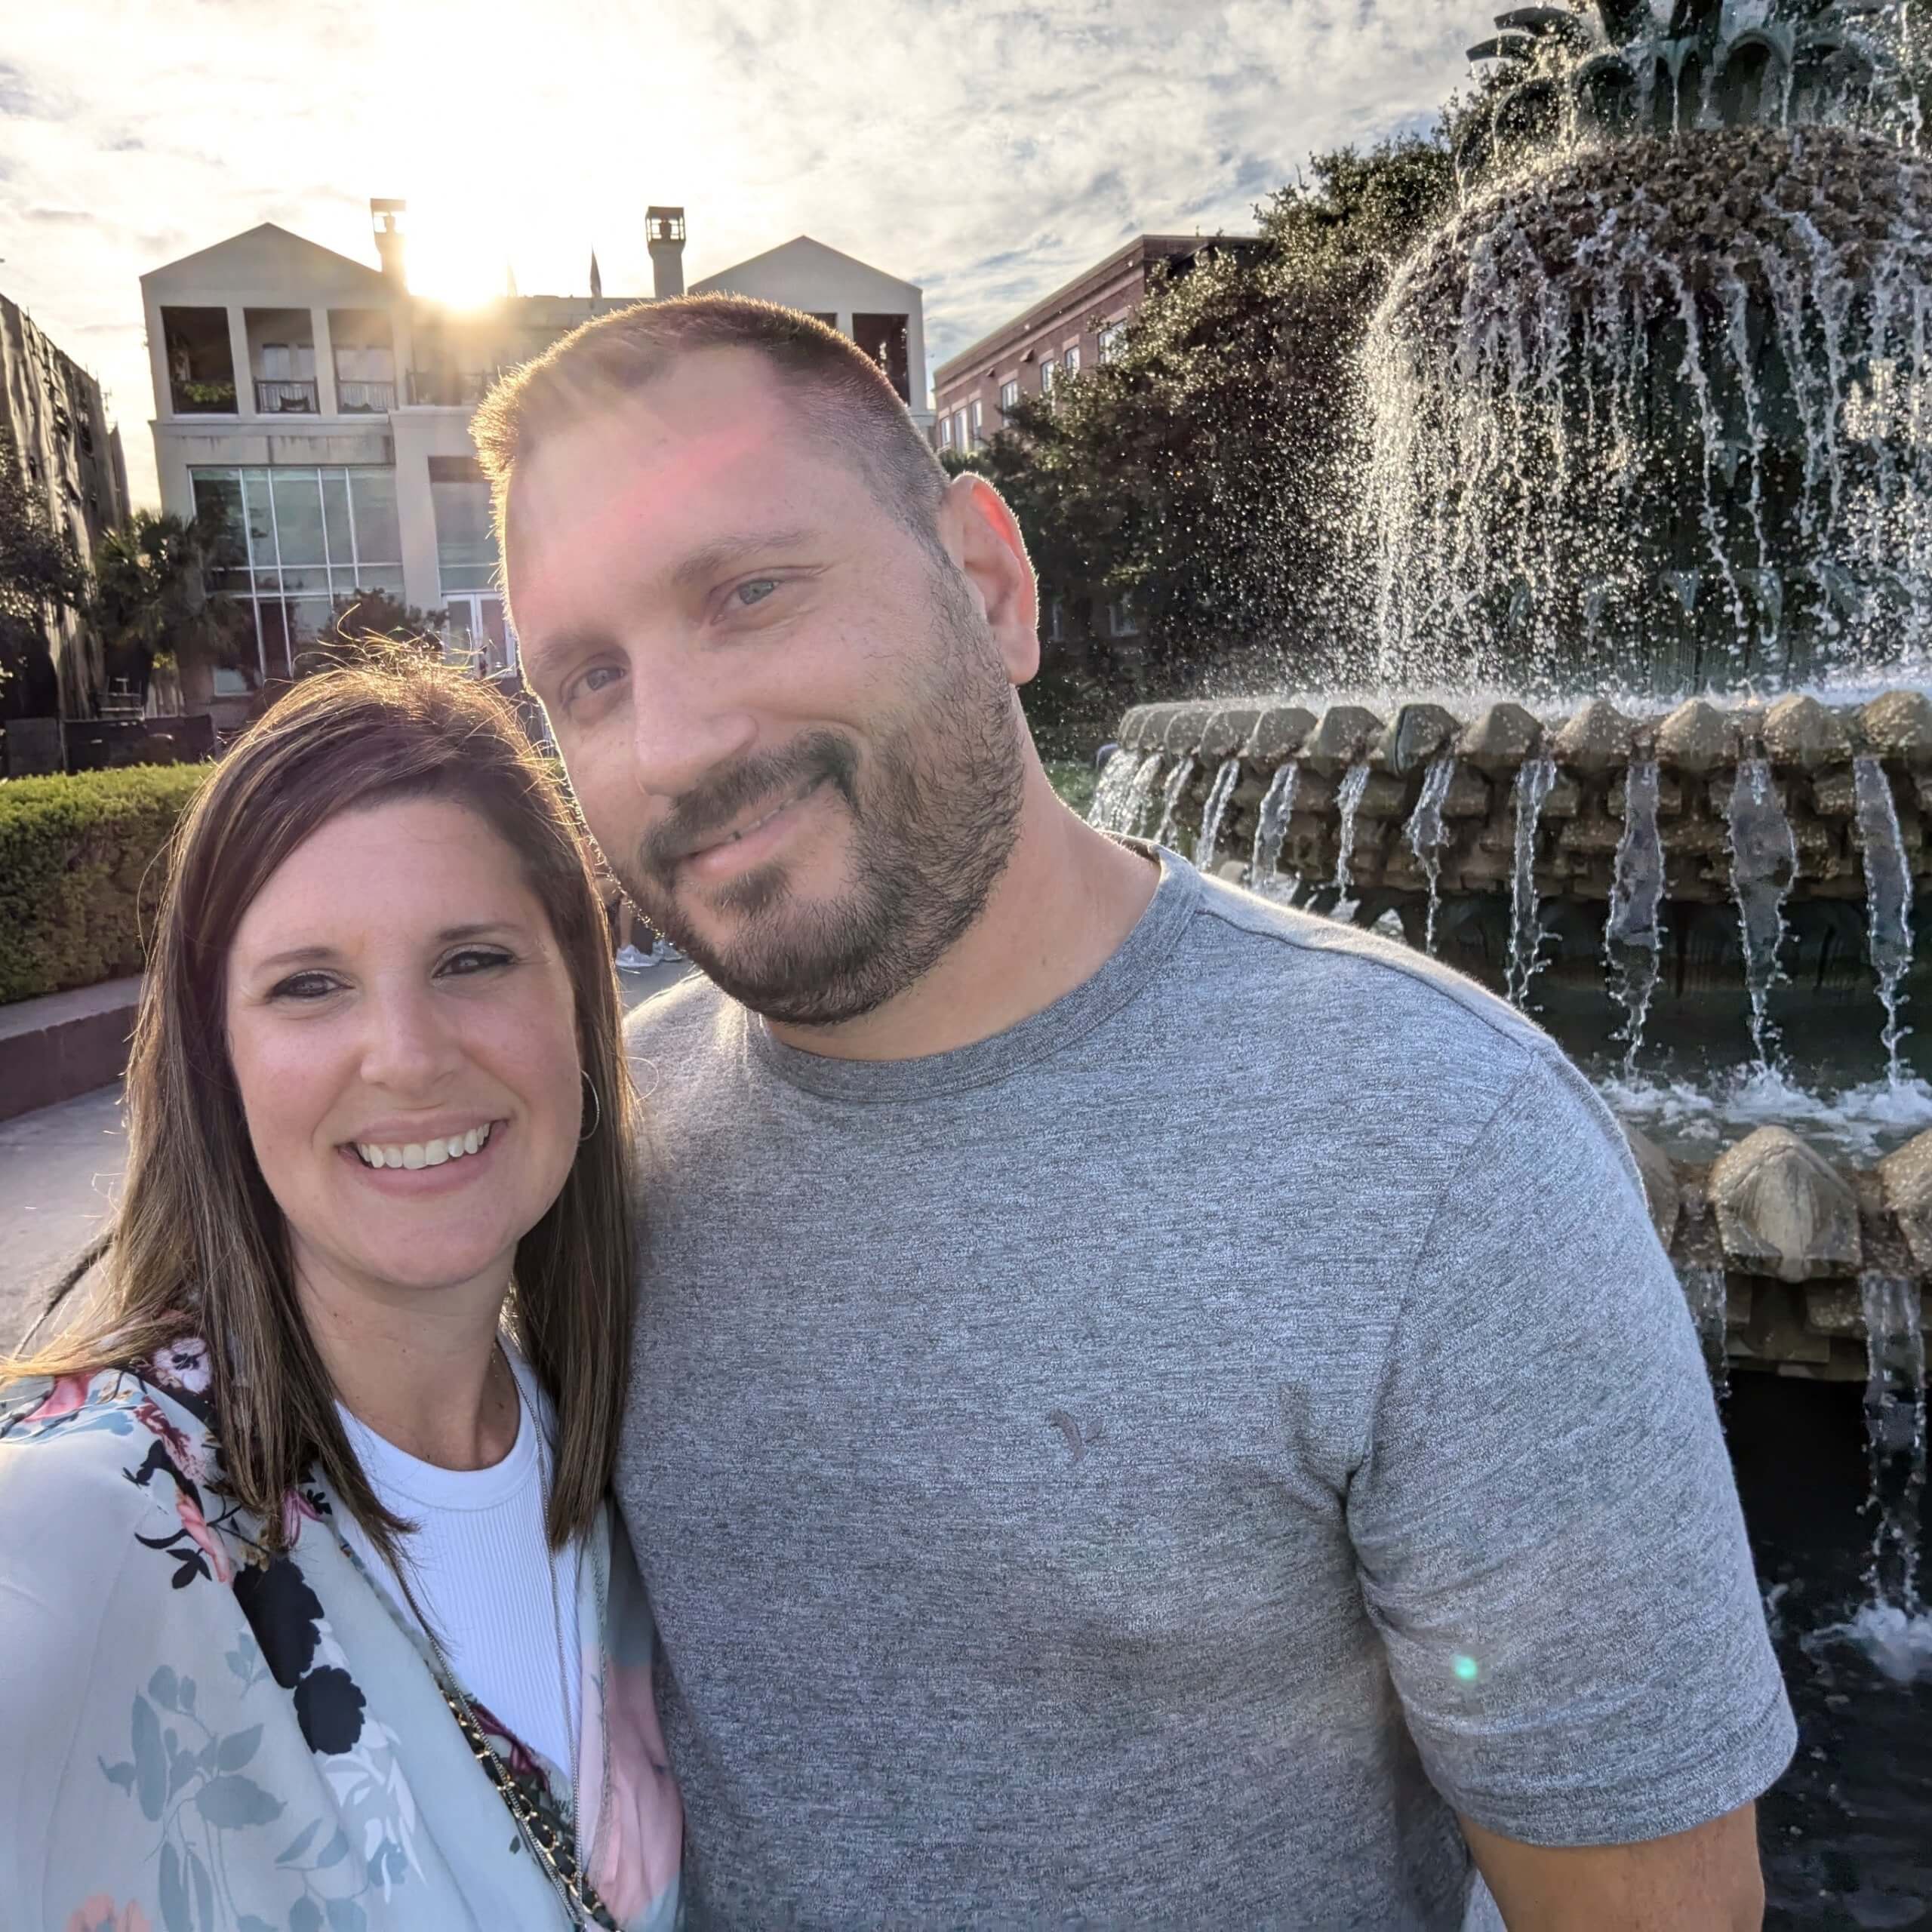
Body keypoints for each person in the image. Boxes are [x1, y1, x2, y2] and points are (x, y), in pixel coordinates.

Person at [479, 297, 1796, 1929]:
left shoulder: (1443, 1150)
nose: (671, 746)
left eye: (747, 593)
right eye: (586, 676)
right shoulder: (584, 1142)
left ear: (987, 582)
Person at [0, 663, 681, 1931]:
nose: (410, 1056)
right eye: (309, 983)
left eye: (473, 959)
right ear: (220, 1059)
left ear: (582, 1003)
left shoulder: (629, 1458)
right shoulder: (78, 1521)